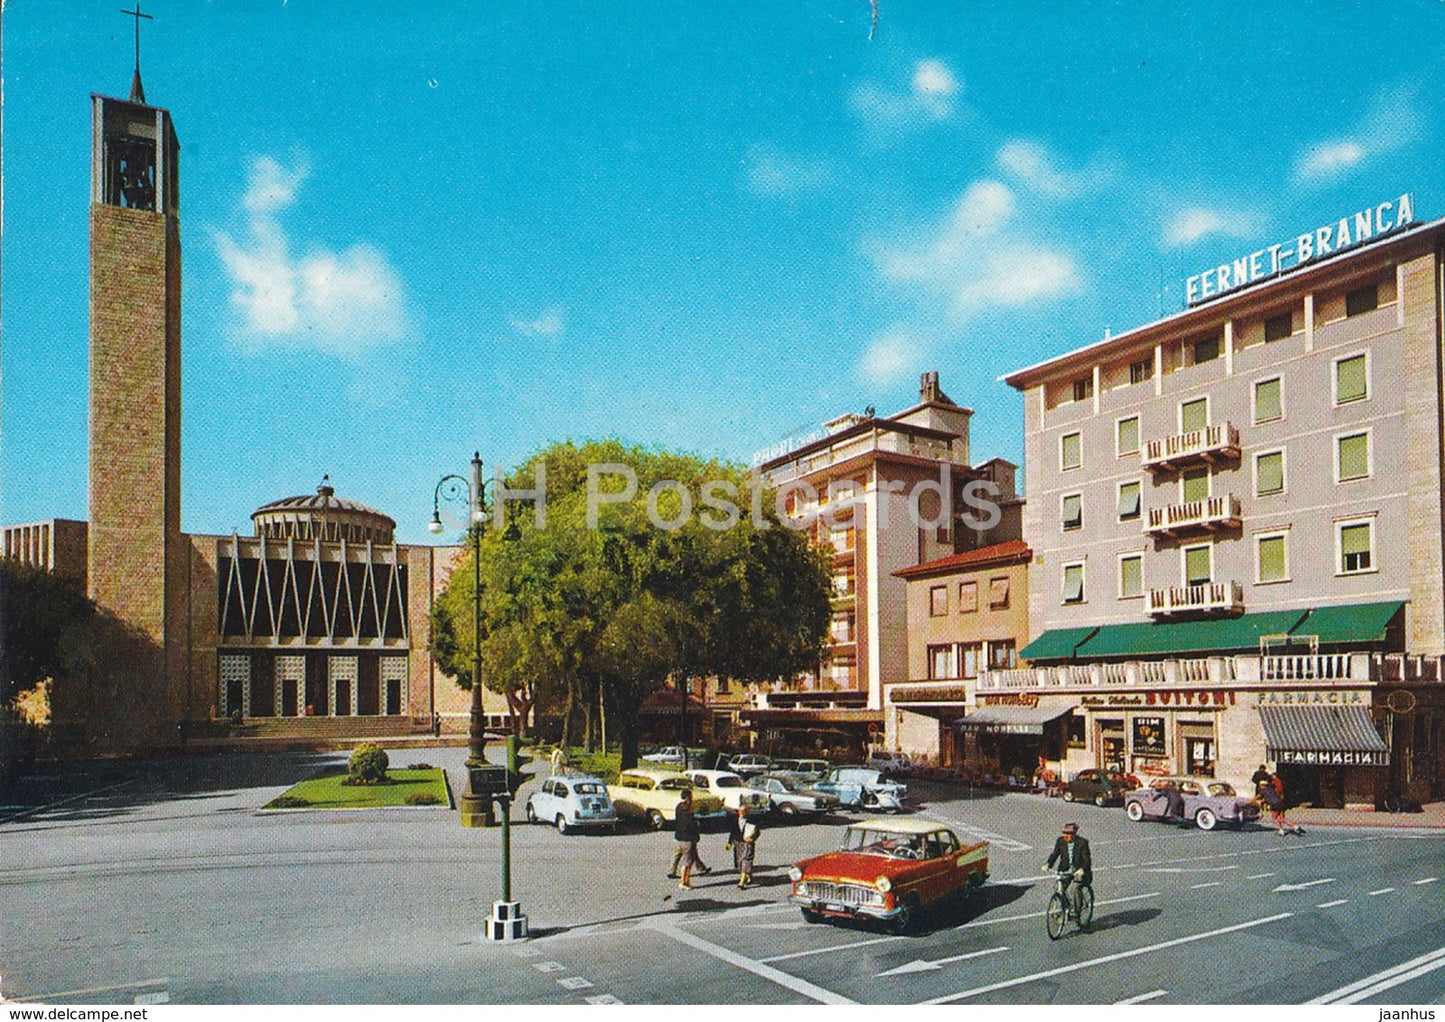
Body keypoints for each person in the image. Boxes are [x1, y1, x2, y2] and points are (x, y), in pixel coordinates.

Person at [1044, 822, 1092, 919]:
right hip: (1065, 871)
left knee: (1075, 888)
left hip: (1079, 873)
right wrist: (1048, 864)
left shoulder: (1082, 843)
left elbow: (1087, 859)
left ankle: (1076, 912)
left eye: (1068, 834)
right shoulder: (1060, 841)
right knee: (1059, 888)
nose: (1066, 836)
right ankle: (1064, 907)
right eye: (1064, 833)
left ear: (1074, 834)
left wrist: (1081, 870)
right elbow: (1055, 854)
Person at [669, 790, 709, 888]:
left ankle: (673, 871)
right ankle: (684, 882)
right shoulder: (689, 813)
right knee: (687, 861)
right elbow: (692, 826)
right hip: (688, 839)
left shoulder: (678, 807)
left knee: (679, 854)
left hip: (679, 836)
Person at [726, 804, 760, 888]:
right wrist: (729, 843)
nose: (741, 813)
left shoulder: (752, 820)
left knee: (746, 859)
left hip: (747, 842)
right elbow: (732, 832)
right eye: (740, 811)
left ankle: (741, 882)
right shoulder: (735, 820)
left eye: (743, 811)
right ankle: (749, 876)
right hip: (738, 842)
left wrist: (752, 839)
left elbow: (757, 831)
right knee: (740, 861)